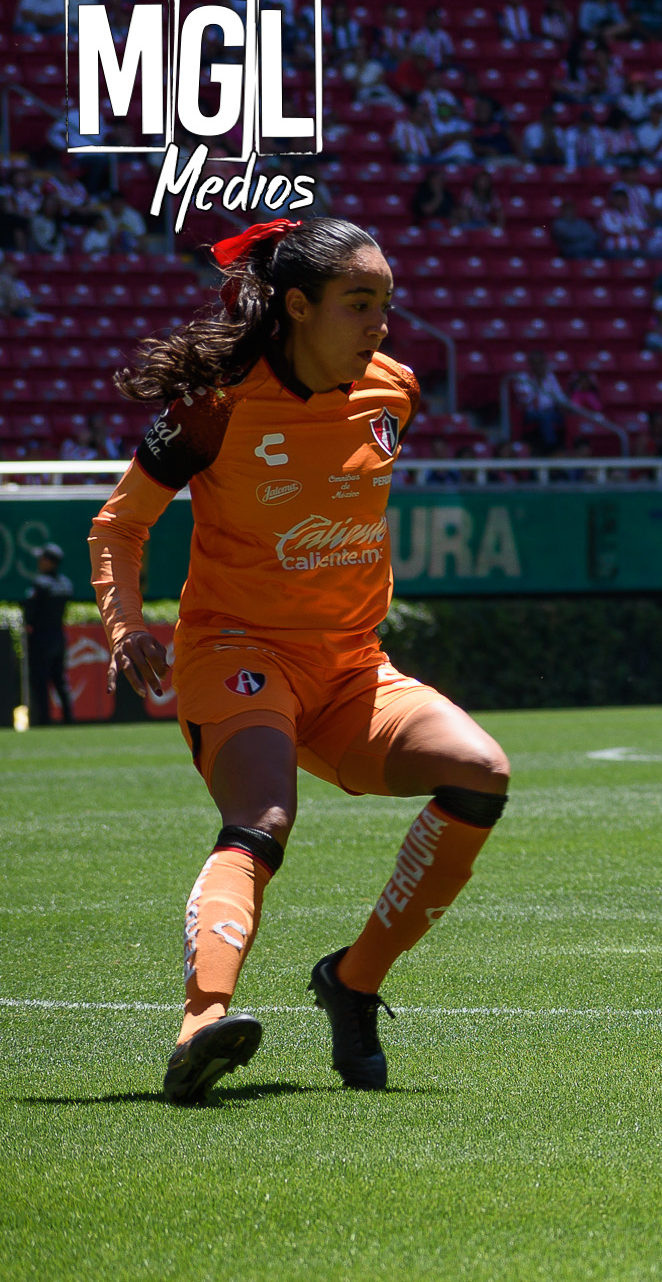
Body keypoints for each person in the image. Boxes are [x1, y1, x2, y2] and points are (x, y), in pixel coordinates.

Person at [87, 218, 512, 1104]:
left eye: (386, 303)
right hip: (237, 653)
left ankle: (352, 982)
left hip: (353, 668)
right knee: (262, 818)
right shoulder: (217, 403)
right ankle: (201, 1022)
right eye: (359, 303)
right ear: (298, 305)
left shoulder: (395, 390)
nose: (380, 323)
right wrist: (125, 624)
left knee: (480, 773)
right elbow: (120, 524)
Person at [21, 542, 74, 726]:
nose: (39, 562)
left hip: (41, 638)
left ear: (49, 561)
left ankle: (44, 720)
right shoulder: (66, 584)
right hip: (59, 637)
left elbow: (30, 613)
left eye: (42, 559)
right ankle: (69, 719)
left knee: (41, 680)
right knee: (60, 680)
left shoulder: (40, 584)